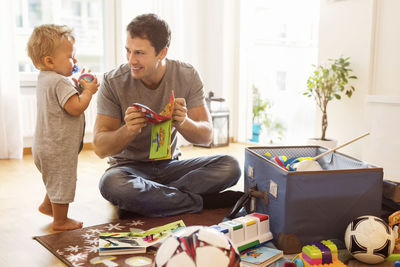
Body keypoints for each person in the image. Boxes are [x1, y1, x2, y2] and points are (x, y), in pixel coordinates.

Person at [93, 13, 242, 218]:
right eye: (127, 51)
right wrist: (128, 130)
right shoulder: (113, 81)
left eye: (139, 53)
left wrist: (183, 122)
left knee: (230, 165)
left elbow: (207, 136)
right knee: (112, 184)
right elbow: (100, 148)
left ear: (162, 52)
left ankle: (150, 201)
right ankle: (202, 202)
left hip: (170, 166)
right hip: (128, 170)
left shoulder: (187, 75)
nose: (131, 60)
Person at [27, 24, 99, 230]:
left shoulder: (46, 79)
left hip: (45, 146)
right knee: (62, 180)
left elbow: (63, 101)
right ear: (49, 61)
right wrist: (88, 92)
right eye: (70, 57)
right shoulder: (60, 83)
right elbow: (75, 107)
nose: (74, 61)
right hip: (57, 148)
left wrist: (77, 86)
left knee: (54, 177)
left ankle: (48, 205)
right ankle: (60, 220)